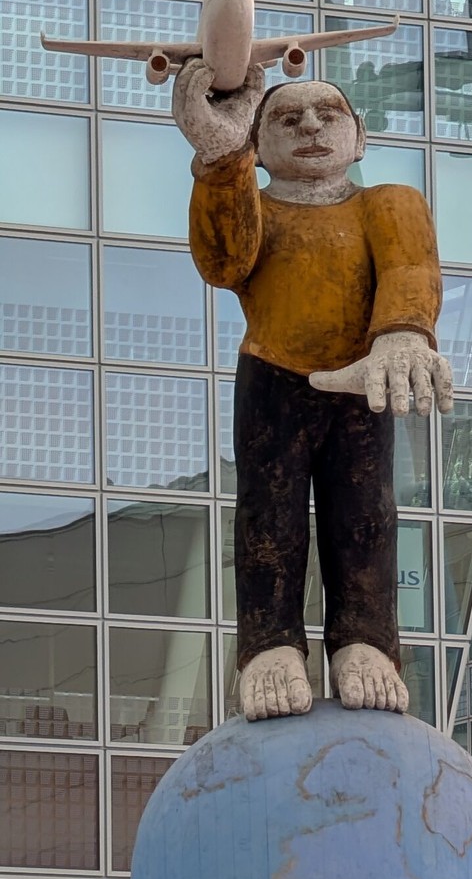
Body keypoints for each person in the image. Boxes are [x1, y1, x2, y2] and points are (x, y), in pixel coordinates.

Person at [172, 58, 453, 721]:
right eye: (286, 117)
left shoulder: (387, 203)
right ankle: (269, 645)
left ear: (359, 138)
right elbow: (221, 261)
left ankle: (365, 638)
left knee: (366, 514)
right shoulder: (254, 203)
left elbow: (411, 266)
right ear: (261, 146)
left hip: (362, 373)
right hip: (272, 370)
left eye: (329, 114)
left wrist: (405, 333)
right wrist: (220, 155)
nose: (309, 125)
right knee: (268, 514)